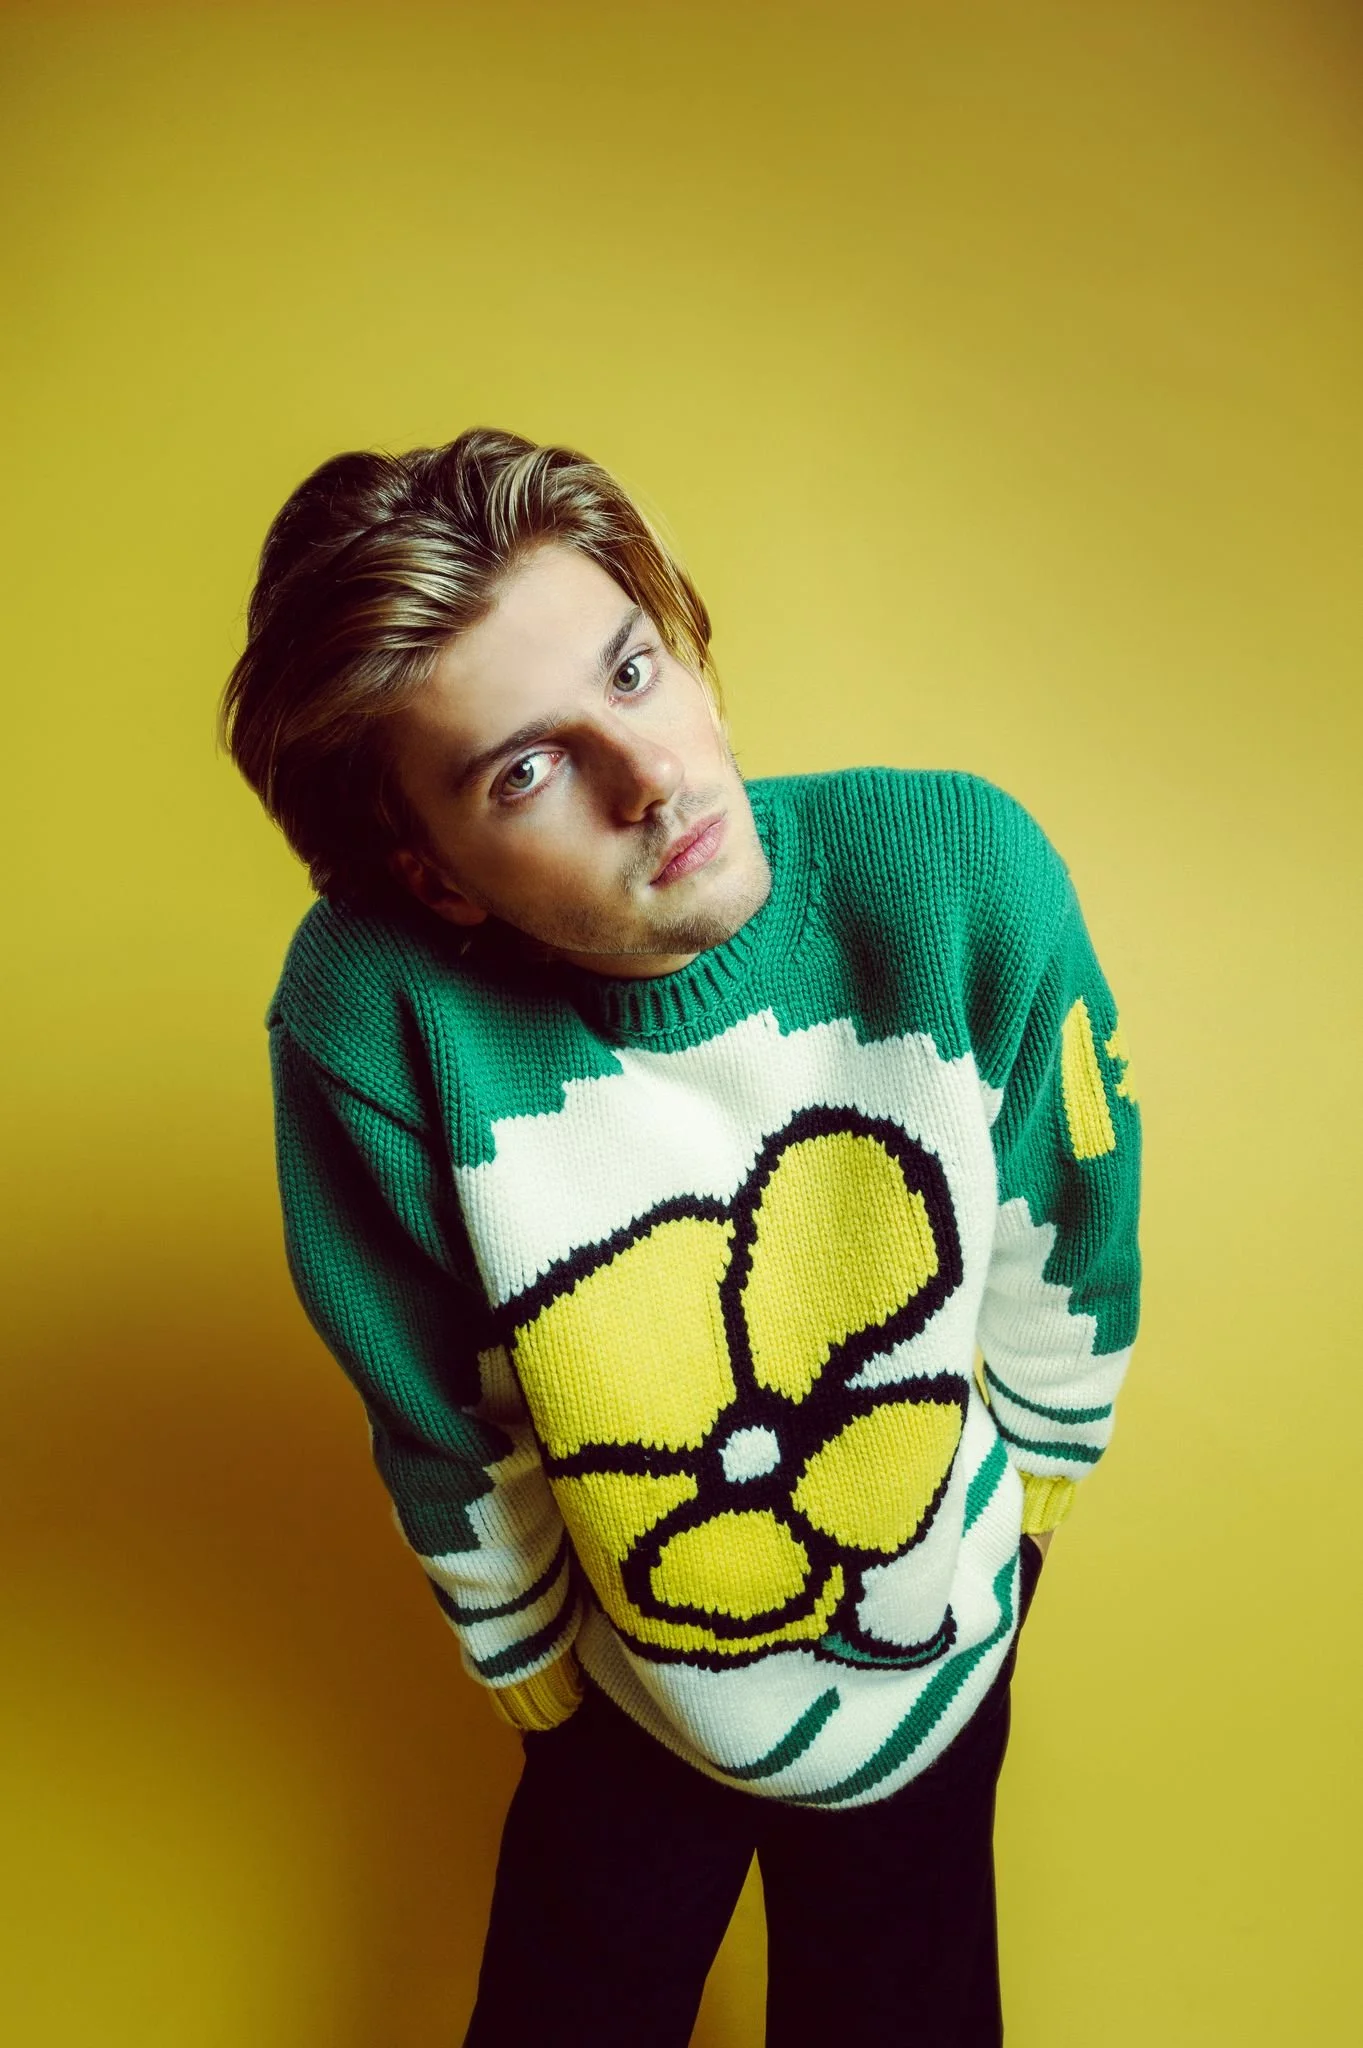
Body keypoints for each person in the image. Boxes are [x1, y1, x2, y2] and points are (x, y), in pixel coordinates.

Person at [220, 426, 1142, 2046]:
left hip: (933, 1633)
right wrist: (532, 1666)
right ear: (432, 880)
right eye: (526, 770)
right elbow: (428, 1390)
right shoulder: (373, 1016)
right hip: (624, 1684)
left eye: (632, 670)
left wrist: (1023, 1518)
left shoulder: (957, 882)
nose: (647, 779)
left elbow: (1066, 1222)